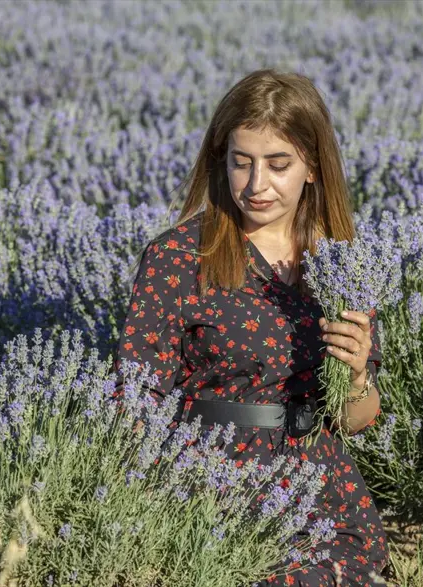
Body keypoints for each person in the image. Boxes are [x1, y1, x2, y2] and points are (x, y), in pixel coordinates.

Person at [112, 69, 389, 586]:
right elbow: (134, 400)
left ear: (312, 167)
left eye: (277, 164)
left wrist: (355, 378)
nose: (256, 184)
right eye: (242, 163)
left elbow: (356, 420)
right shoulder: (177, 257)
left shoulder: (342, 263)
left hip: (317, 481)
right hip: (211, 479)